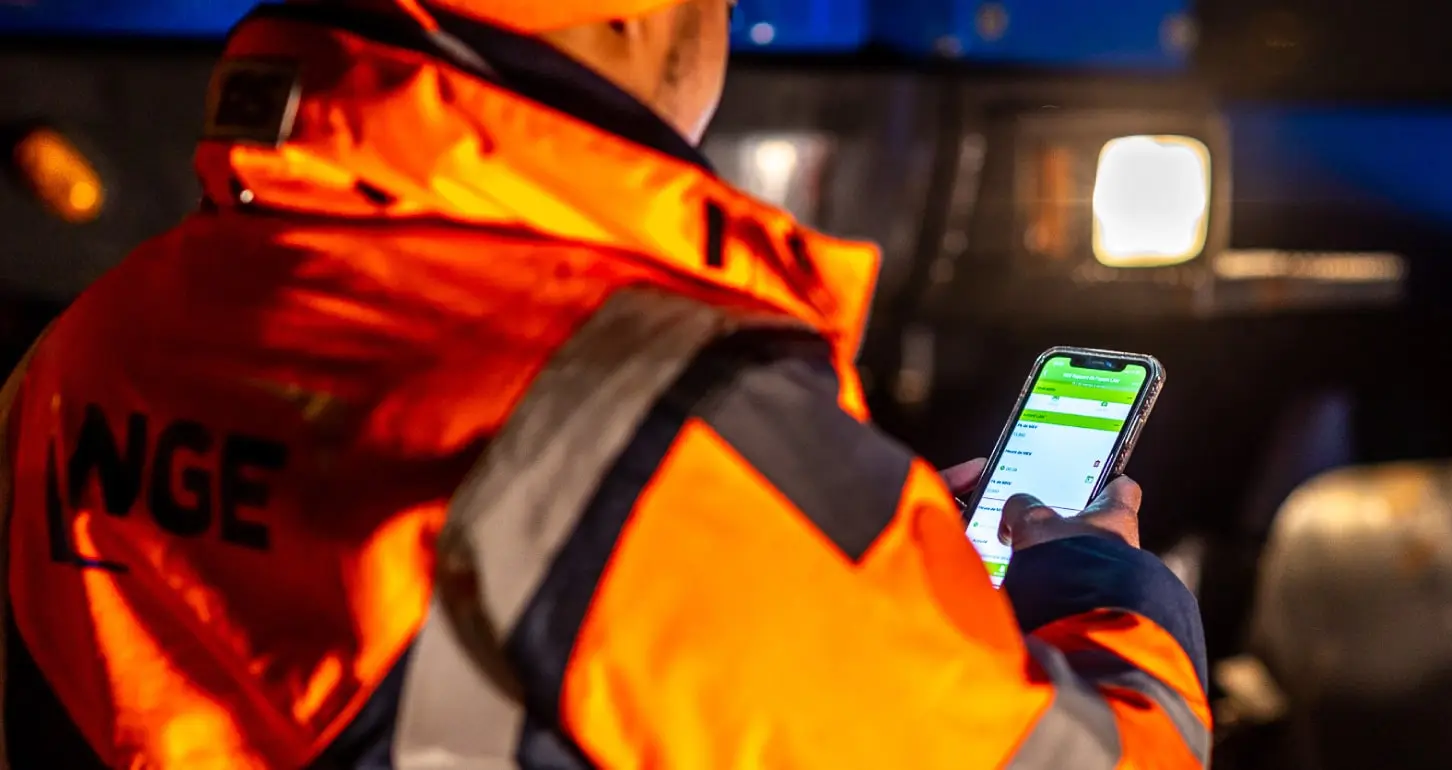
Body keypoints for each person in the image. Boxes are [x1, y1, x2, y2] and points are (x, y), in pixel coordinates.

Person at [0, 1, 1208, 768]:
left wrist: (832, 566)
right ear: (633, 22)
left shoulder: (89, 348)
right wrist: (1100, 583)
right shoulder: (655, 422)